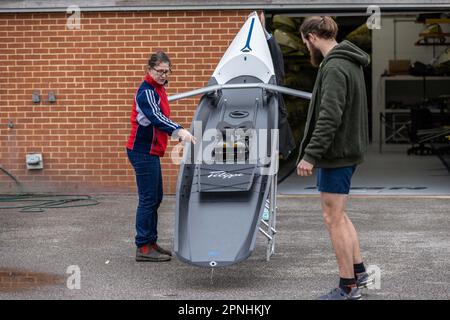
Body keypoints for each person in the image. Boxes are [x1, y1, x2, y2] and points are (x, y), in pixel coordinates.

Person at [296, 16, 373, 299]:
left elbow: (329, 117)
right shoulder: (349, 62)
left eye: (306, 43)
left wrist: (310, 155)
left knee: (332, 218)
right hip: (347, 152)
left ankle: (347, 286)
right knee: (339, 215)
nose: (307, 48)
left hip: (335, 154)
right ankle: (360, 271)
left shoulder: (334, 67)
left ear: (312, 37)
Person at [126, 51, 196, 262]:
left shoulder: (158, 88)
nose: (164, 75)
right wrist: (179, 130)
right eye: (160, 71)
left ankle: (151, 241)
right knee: (148, 199)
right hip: (141, 151)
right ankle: (143, 247)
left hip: (151, 151)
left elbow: (161, 116)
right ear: (149, 70)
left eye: (167, 71)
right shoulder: (146, 92)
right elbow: (156, 117)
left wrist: (174, 131)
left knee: (155, 197)